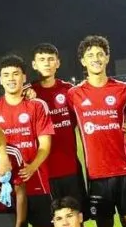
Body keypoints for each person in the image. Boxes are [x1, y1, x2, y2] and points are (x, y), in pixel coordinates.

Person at [67, 35, 126, 227]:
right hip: (97, 173)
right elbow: (64, 127)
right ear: (83, 61)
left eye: (100, 54)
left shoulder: (123, 90)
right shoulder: (74, 94)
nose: (96, 58)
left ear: (107, 58)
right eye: (90, 55)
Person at [0, 54, 56, 227]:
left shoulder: (37, 105)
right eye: (6, 75)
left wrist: (32, 167)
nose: (11, 78)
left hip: (37, 182)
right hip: (7, 187)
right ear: (0, 79)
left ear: (24, 77)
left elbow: (44, 145)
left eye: (16, 74)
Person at [29, 43, 85, 203]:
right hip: (43, 169)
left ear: (58, 63)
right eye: (41, 60)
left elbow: (86, 115)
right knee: (49, 224)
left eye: (50, 59)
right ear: (34, 64)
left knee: (76, 218)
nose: (46, 63)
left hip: (70, 167)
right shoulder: (28, 94)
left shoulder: (70, 91)